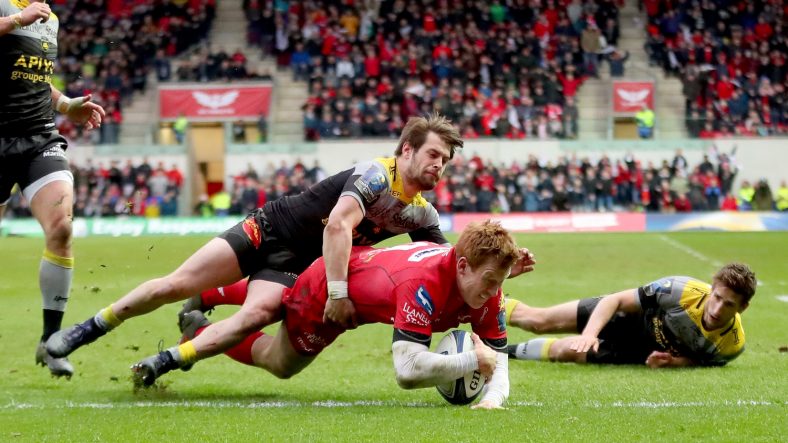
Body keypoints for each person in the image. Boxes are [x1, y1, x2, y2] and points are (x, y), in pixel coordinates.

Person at [45, 115, 469, 368]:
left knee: (254, 318)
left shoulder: (421, 213)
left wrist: (487, 268)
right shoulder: (376, 174)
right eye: (433, 154)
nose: (440, 166)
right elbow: (337, 226)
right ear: (408, 150)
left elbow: (445, 261)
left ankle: (165, 361)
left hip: (292, 264)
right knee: (175, 284)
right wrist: (337, 293)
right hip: (268, 228)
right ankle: (86, 330)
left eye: (446, 161)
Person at [133, 221, 527, 409]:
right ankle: (200, 323)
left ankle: (211, 293)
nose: (495, 294)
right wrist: (470, 361)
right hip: (327, 293)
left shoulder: (485, 284)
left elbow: (499, 357)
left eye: (499, 283)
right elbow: (407, 372)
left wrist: (491, 401)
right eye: (490, 282)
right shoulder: (422, 284)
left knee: (274, 305)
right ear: (461, 267)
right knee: (280, 362)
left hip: (359, 273)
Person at [1, 1, 105, 378]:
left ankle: (51, 341)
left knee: (61, 228)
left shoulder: (50, 18)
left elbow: (33, 77)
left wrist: (65, 105)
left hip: (38, 138)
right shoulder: (11, 8)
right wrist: (14, 20)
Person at [505, 263, 756, 367]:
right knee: (539, 321)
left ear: (742, 308)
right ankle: (487, 303)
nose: (717, 309)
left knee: (565, 352)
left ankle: (500, 351)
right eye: (717, 298)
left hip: (641, 351)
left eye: (729, 305)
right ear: (711, 290)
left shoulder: (731, 346)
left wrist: (675, 362)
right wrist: (590, 334)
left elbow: (703, 361)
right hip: (628, 316)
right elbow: (616, 300)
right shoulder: (679, 290)